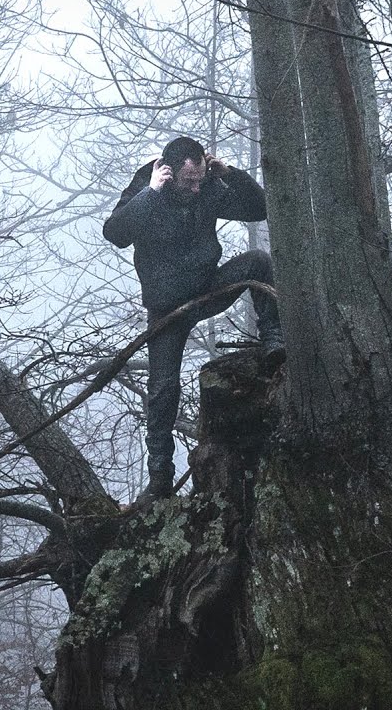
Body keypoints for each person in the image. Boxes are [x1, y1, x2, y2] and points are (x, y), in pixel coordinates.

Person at [103, 136, 284, 500]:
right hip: (166, 308)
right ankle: (159, 479)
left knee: (259, 262)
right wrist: (151, 193)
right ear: (168, 172)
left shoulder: (208, 187)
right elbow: (115, 233)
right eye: (189, 181)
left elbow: (258, 208)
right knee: (163, 390)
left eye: (199, 179)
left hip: (206, 289)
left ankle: (274, 341)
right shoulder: (149, 184)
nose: (195, 188)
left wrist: (230, 174)